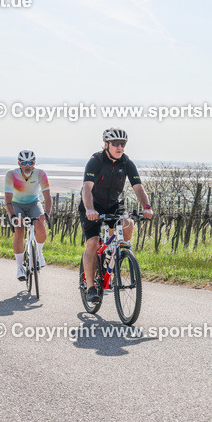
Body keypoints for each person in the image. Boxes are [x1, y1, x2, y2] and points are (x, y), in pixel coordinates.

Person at [80, 129, 153, 303]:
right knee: (92, 243)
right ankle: (90, 288)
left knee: (128, 222)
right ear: (106, 144)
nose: (120, 147)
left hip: (113, 204)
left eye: (123, 144)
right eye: (115, 144)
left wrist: (147, 206)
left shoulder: (126, 162)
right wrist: (90, 209)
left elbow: (138, 187)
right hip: (91, 206)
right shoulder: (96, 160)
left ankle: (118, 258)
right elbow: (87, 188)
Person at [4, 151, 52, 281]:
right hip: (16, 204)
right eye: (24, 163)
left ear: (34, 163)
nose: (27, 166)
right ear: (19, 163)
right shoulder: (11, 174)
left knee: (40, 226)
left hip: (33, 203)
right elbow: (8, 199)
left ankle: (39, 253)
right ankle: (20, 267)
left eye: (30, 163)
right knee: (19, 229)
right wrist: (13, 216)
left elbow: (47, 197)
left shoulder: (40, 174)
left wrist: (46, 214)